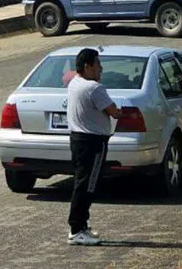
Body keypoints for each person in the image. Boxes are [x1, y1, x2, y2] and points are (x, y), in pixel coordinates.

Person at [66, 48, 122, 246]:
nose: (101, 69)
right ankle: (76, 229)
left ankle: (82, 224)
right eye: (97, 65)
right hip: (92, 142)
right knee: (87, 185)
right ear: (87, 67)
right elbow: (113, 111)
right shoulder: (94, 88)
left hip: (78, 140)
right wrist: (119, 112)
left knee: (83, 182)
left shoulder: (75, 82)